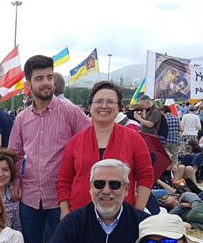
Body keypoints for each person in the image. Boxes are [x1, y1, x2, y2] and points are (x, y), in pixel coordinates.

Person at [7, 55, 89, 243]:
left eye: (49, 77)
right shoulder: (22, 118)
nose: (45, 83)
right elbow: (15, 154)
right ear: (29, 84)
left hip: (62, 197)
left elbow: (89, 141)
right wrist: (15, 182)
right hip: (30, 196)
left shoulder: (70, 112)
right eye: (39, 78)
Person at [56, 81, 153, 216]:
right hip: (79, 216)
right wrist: (65, 212)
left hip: (122, 216)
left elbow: (145, 176)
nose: (104, 106)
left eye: (110, 102)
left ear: (119, 107)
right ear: (90, 106)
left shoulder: (134, 139)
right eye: (99, 101)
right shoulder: (75, 141)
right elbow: (64, 180)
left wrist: (137, 212)